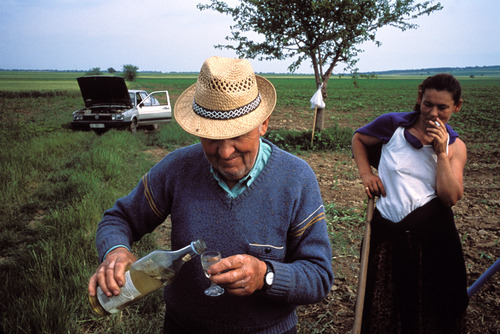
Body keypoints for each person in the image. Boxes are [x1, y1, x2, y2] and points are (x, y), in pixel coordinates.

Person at [88, 56, 334, 334]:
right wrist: (115, 252)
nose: (225, 152)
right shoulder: (178, 168)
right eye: (212, 138)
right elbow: (119, 219)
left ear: (263, 124)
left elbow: (319, 277)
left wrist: (265, 276)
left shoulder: (296, 178)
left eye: (238, 136)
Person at [351, 73, 469, 333]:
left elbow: (449, 197)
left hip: (433, 241)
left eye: (443, 107)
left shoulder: (455, 147)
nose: (433, 113)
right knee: (385, 305)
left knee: (431, 309)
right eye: (428, 104)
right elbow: (358, 139)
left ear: (456, 106)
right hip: (387, 237)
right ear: (419, 98)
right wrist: (367, 174)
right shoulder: (393, 126)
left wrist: (440, 154)